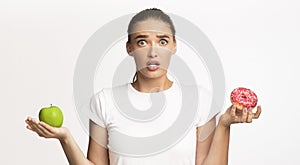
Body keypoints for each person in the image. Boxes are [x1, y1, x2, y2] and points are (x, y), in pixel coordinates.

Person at [25, 8, 262, 165]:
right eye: (142, 42)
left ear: (174, 46)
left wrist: (224, 125)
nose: (152, 52)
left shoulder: (198, 99)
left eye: (162, 41)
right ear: (129, 48)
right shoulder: (104, 101)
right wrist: (65, 138)